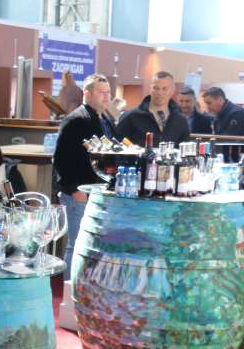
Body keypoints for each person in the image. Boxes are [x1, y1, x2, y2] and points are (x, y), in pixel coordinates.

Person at [53, 74, 112, 273]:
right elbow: (60, 159)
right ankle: (68, 287)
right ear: (87, 93)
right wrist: (75, 190)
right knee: (77, 245)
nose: (107, 96)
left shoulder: (105, 119)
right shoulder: (76, 119)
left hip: (96, 192)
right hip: (78, 194)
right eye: (102, 92)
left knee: (90, 247)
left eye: (108, 92)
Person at [115, 71, 190, 147]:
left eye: (165, 88)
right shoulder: (131, 116)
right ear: (150, 89)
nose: (160, 92)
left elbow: (185, 148)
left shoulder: (180, 120)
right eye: (156, 88)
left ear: (172, 90)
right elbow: (117, 144)